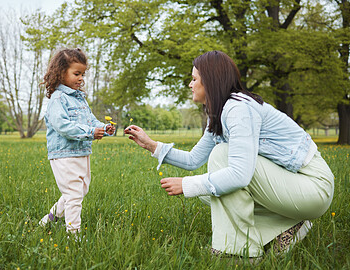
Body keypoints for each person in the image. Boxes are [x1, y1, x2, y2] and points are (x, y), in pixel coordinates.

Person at [124, 51, 334, 258]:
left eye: (194, 79)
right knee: (210, 191)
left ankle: (240, 252)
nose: (190, 84)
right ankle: (287, 226)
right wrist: (151, 145)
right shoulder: (220, 111)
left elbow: (240, 174)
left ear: (210, 81)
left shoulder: (239, 109)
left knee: (220, 158)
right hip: (291, 187)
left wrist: (188, 185)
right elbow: (193, 159)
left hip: (312, 186)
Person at [39, 48, 115, 234]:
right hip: (64, 155)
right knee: (74, 195)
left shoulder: (80, 99)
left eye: (83, 74)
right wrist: (90, 132)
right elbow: (63, 126)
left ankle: (49, 219)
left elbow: (90, 120)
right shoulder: (58, 99)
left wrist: (103, 129)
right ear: (61, 72)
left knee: (80, 190)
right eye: (76, 73)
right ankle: (74, 235)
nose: (81, 78)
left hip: (81, 153)